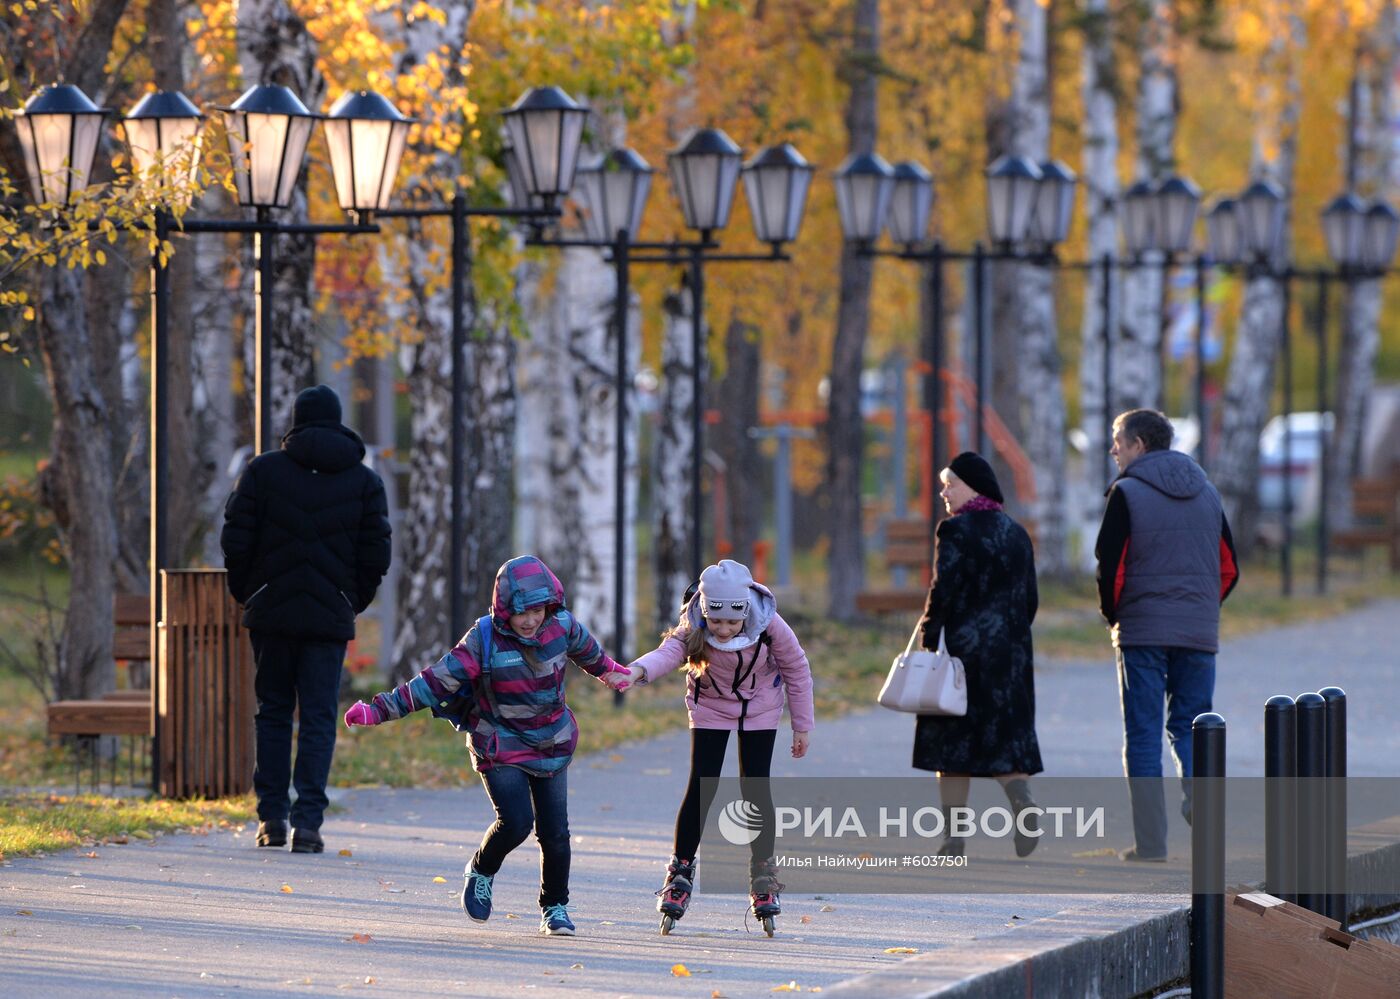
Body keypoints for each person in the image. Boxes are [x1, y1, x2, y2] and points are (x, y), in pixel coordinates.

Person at [343, 555, 631, 936]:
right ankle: (481, 869)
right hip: (500, 742)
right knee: (516, 823)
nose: (530, 619)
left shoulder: (561, 625)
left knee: (556, 834)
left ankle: (555, 907)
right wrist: (379, 710)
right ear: (503, 610)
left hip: (551, 742)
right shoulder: (483, 638)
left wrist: (613, 674)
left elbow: (592, 656)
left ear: (551, 604)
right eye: (520, 612)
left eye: (537, 609)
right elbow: (434, 682)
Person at [221, 384, 390, 855]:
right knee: (318, 718)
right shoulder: (363, 480)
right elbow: (376, 553)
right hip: (328, 618)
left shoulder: (262, 471)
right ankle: (309, 823)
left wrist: (249, 592)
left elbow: (235, 537)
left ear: (295, 422)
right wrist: (349, 600)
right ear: (338, 421)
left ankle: (271, 817)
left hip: (270, 612)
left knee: (272, 712)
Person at [617, 559, 814, 934]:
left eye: (731, 622)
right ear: (706, 612)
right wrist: (637, 672)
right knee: (702, 784)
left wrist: (802, 726)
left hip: (760, 707)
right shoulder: (695, 624)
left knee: (754, 786)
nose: (722, 630)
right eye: (716, 621)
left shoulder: (770, 624)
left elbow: (797, 670)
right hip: (710, 706)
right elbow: (669, 653)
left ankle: (763, 875)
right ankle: (680, 870)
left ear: (744, 613)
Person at [1095, 409, 1239, 862]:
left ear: (1139, 444)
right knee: (1194, 725)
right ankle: (1204, 811)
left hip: (1142, 630)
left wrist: (1114, 615)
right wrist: (1199, 609)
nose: (1113, 448)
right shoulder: (1208, 492)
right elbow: (1229, 567)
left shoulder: (1127, 493)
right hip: (1197, 631)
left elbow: (1110, 567)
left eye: (1118, 439)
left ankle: (1151, 844)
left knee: (1142, 734)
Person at [913, 451, 1042, 860]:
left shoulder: (956, 530)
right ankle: (1022, 805)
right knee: (1004, 738)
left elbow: (943, 588)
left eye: (950, 483)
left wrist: (929, 635)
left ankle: (953, 839)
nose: (943, 491)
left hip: (963, 656)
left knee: (951, 746)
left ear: (974, 486)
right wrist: (1012, 633)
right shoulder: (1016, 532)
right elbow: (1031, 599)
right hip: (1012, 655)